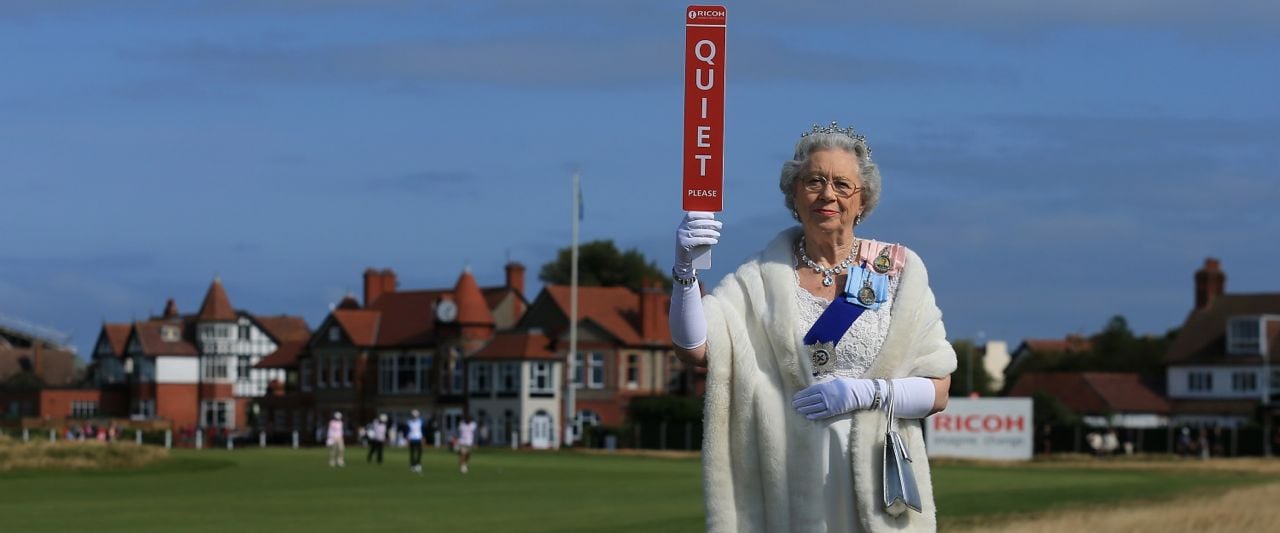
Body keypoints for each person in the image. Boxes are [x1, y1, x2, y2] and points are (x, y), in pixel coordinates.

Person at [669, 122, 956, 532]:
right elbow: (695, 347)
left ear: (863, 200)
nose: (827, 194)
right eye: (814, 181)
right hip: (789, 487)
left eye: (842, 184)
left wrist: (866, 393)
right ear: (794, 195)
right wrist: (685, 269)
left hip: (876, 484)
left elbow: (938, 391)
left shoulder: (896, 271)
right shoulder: (760, 278)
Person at [405, 410, 425, 474]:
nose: (414, 417)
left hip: (419, 438)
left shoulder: (420, 422)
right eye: (413, 416)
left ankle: (418, 465)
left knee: (419, 452)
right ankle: (412, 465)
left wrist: (423, 438)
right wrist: (407, 439)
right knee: (412, 453)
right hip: (412, 439)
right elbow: (407, 431)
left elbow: (422, 430)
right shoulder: (409, 422)